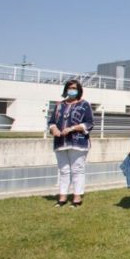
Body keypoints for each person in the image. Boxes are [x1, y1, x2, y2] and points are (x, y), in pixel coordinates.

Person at [47, 79, 94, 208]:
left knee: (77, 170)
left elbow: (89, 123)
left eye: (74, 88)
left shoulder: (84, 105)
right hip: (61, 142)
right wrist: (54, 129)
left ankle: (77, 197)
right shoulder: (59, 105)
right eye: (70, 88)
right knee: (63, 170)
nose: (72, 90)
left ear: (78, 90)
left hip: (78, 142)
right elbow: (51, 122)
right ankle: (62, 196)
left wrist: (73, 128)